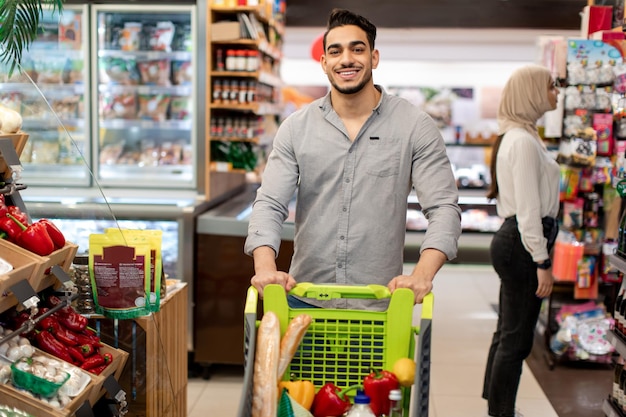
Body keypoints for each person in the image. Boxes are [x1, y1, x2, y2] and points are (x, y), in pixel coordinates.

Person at [244, 8, 462, 309]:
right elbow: (270, 203)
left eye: (357, 49)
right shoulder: (296, 128)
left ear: (374, 57)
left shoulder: (413, 126)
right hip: (305, 300)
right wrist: (265, 268)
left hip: (380, 304)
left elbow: (444, 208)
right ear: (324, 62)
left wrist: (422, 275)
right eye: (335, 51)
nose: (346, 59)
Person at [482, 64, 560, 417]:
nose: (555, 92)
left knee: (507, 333)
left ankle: (497, 407)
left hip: (516, 240)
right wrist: (542, 262)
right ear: (530, 92)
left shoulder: (518, 136)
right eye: (550, 86)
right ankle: (502, 411)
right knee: (516, 339)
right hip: (524, 242)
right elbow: (529, 211)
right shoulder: (524, 142)